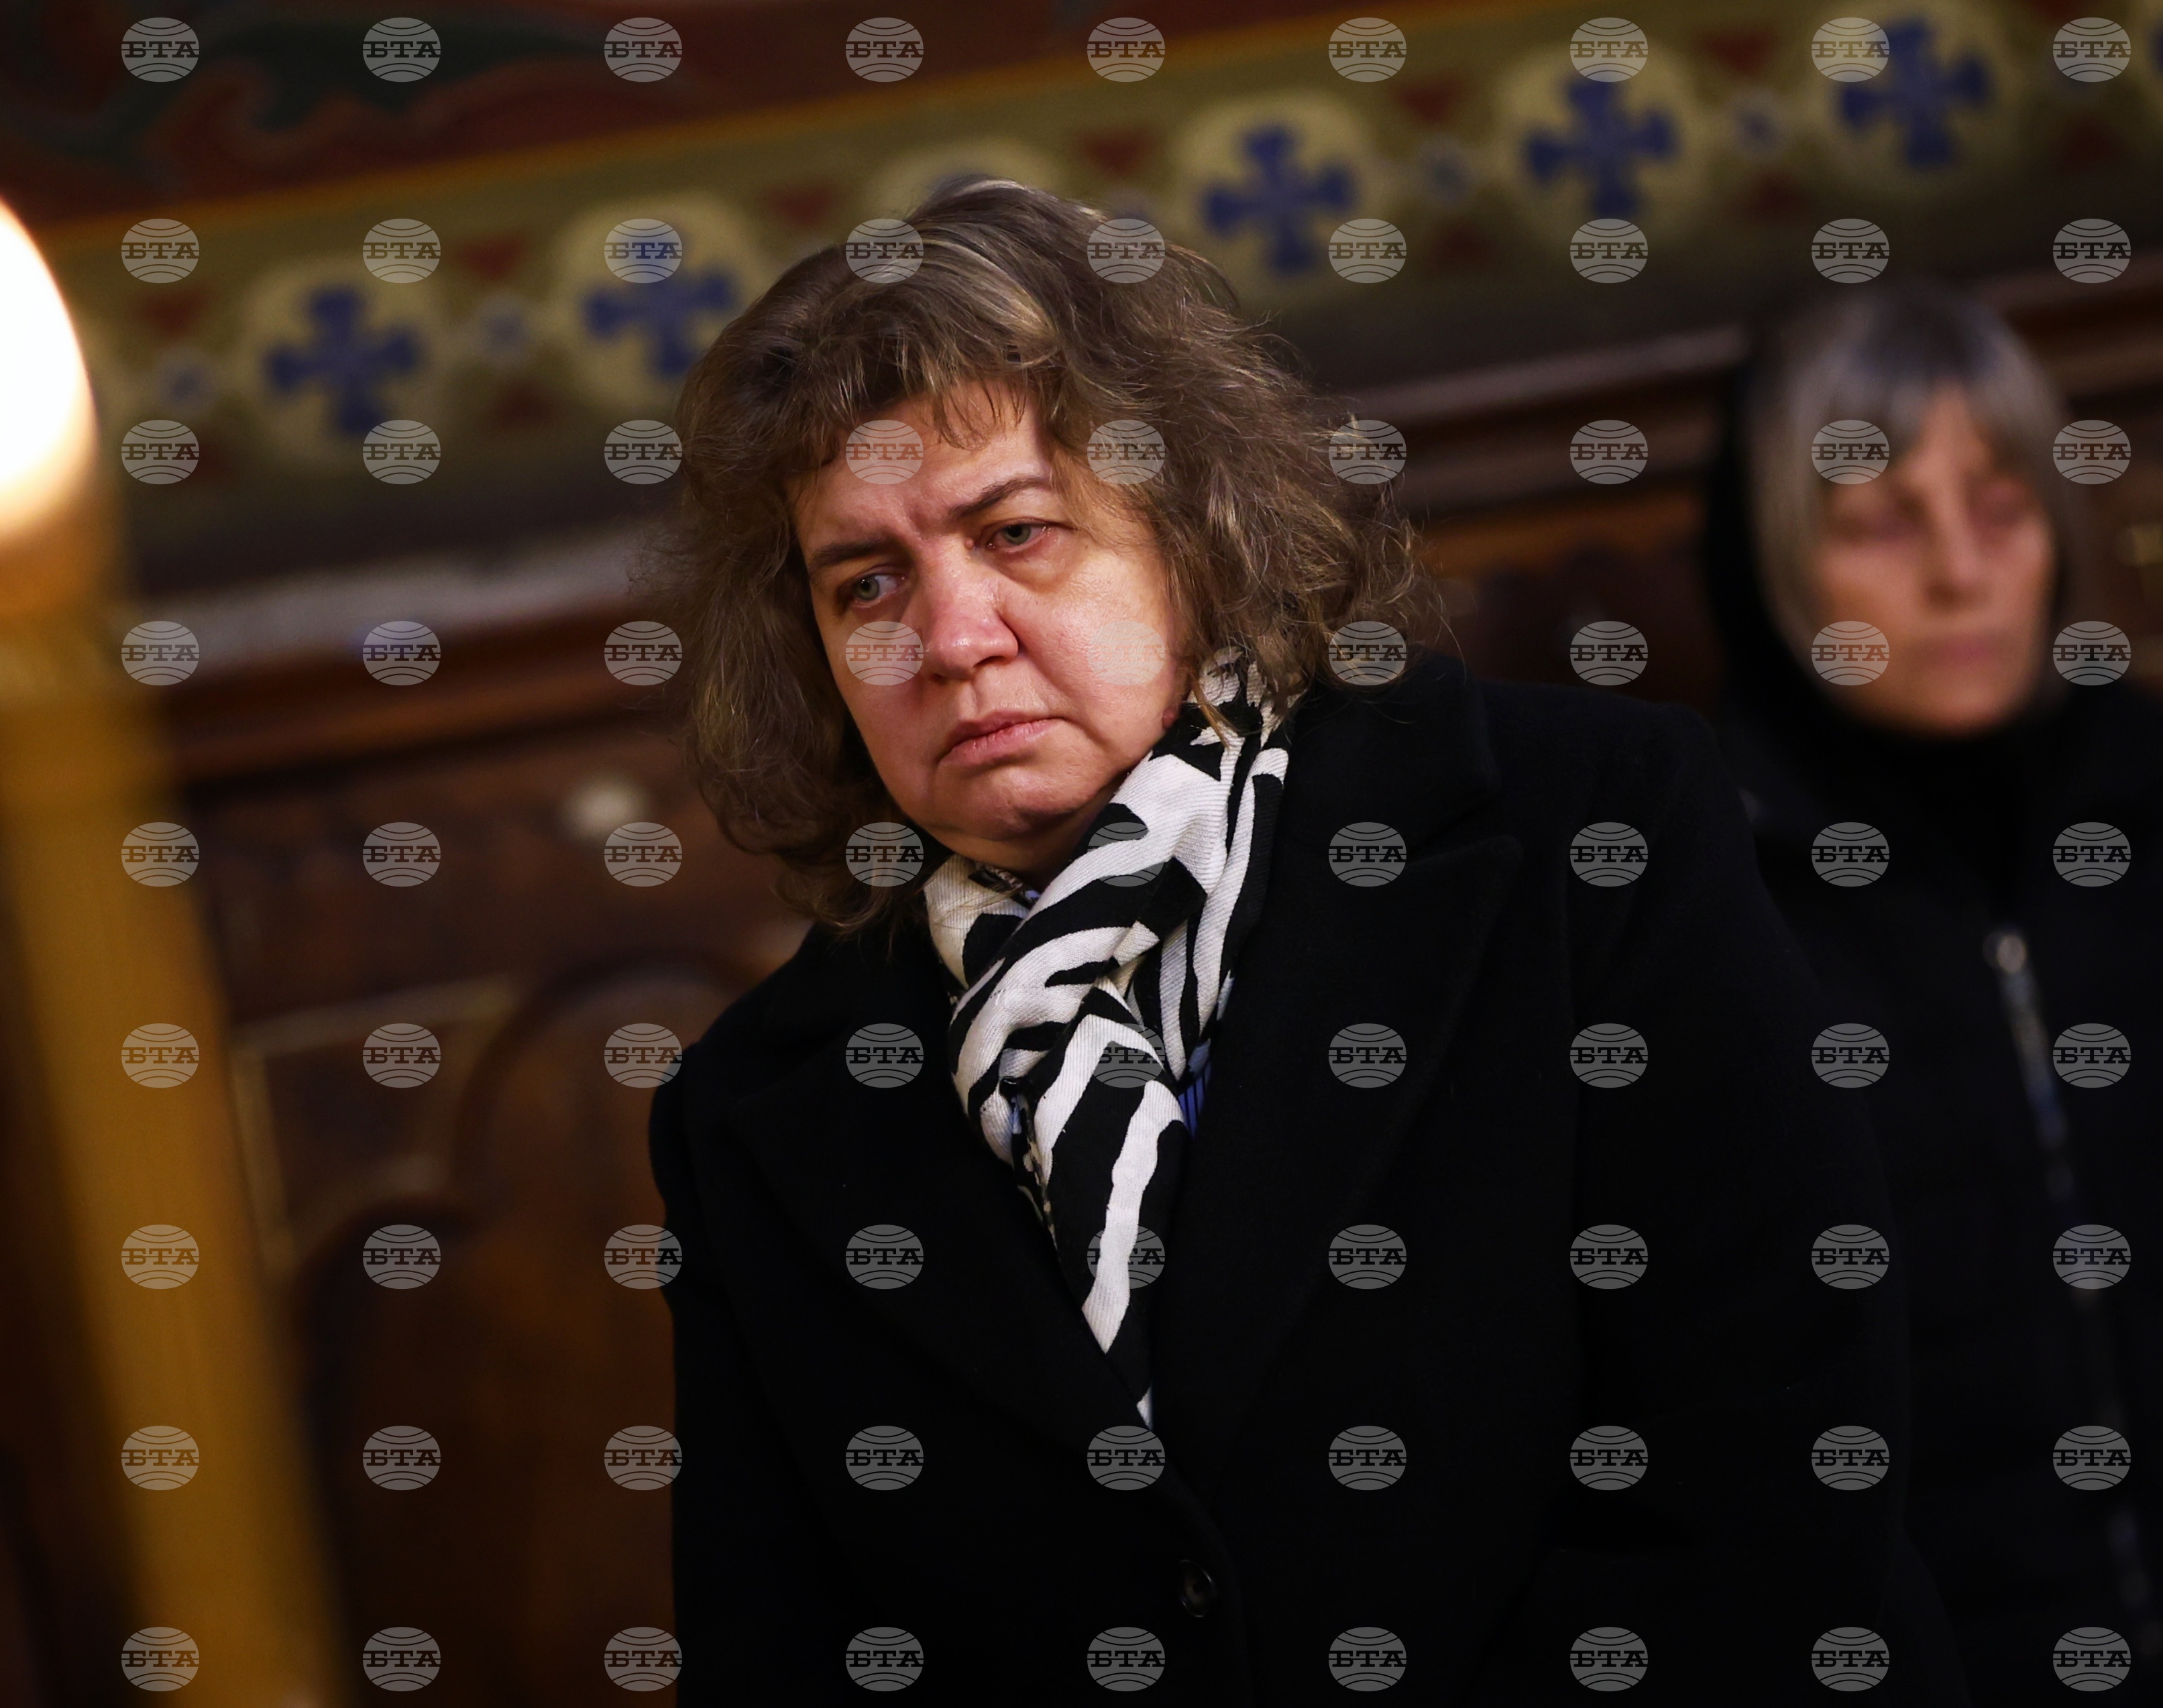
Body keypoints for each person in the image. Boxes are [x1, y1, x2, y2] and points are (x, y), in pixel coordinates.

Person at [637, 175, 1965, 1703]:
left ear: (1188, 534)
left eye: (1015, 531)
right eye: (865, 581)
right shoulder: (754, 1116)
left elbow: (1775, 1453)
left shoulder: (1586, 830)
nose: (948, 638)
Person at [1703, 278, 2163, 1703]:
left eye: (2002, 507)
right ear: (1777, 559)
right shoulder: (1706, 912)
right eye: (1881, 524)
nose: (1961, 574)